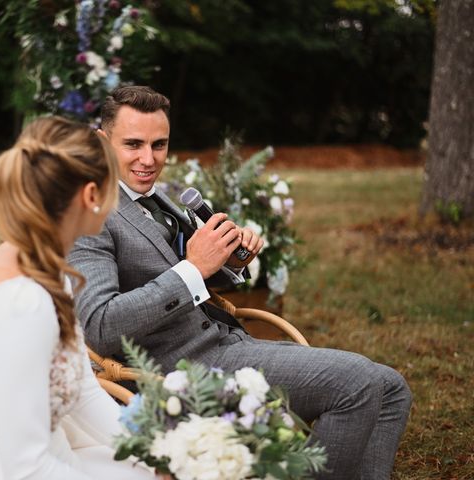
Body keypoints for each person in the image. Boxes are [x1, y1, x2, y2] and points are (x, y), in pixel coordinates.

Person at [68, 86, 412, 480]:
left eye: (159, 144)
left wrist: (223, 261)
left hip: (228, 344)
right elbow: (100, 324)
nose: (149, 159)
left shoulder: (153, 198)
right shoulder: (89, 215)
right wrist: (193, 268)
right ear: (102, 141)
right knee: (359, 383)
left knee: (391, 387)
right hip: (180, 372)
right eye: (133, 144)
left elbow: (177, 276)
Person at [0, 116, 154, 479]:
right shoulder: (22, 303)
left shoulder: (43, 265)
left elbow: (85, 393)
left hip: (58, 461)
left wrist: (158, 452)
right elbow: (26, 467)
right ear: (92, 196)